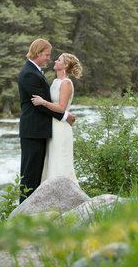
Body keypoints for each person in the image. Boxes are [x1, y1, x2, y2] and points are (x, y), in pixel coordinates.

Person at [17, 39, 76, 202]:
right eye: (47, 55)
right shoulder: (29, 73)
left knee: (38, 172)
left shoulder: (36, 71)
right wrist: (65, 116)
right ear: (38, 53)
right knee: (30, 175)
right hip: (33, 131)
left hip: (42, 131)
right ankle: (23, 211)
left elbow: (46, 102)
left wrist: (63, 114)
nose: (49, 59)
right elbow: (40, 105)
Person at [31, 52, 82, 183]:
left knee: (61, 160)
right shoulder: (55, 81)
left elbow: (61, 108)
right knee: (52, 160)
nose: (55, 61)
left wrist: (44, 102)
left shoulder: (66, 83)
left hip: (61, 128)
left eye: (59, 60)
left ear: (65, 65)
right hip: (52, 126)